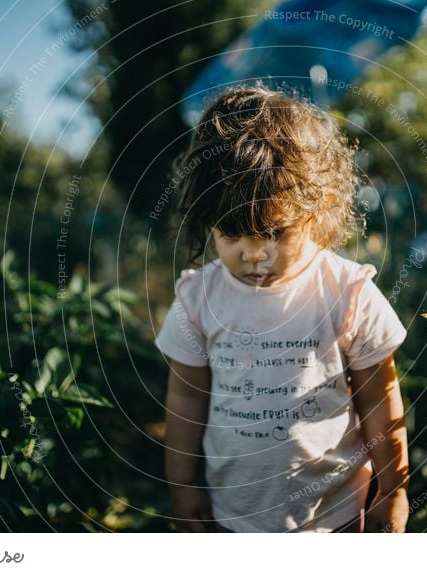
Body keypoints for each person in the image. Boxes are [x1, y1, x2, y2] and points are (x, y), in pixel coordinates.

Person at [155, 86, 409, 533]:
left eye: (274, 231)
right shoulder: (198, 298)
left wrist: (394, 490)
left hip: (336, 518)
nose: (255, 254)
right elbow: (187, 397)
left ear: (319, 205)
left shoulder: (347, 291)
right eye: (232, 233)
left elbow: (379, 398)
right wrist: (181, 486)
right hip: (230, 520)